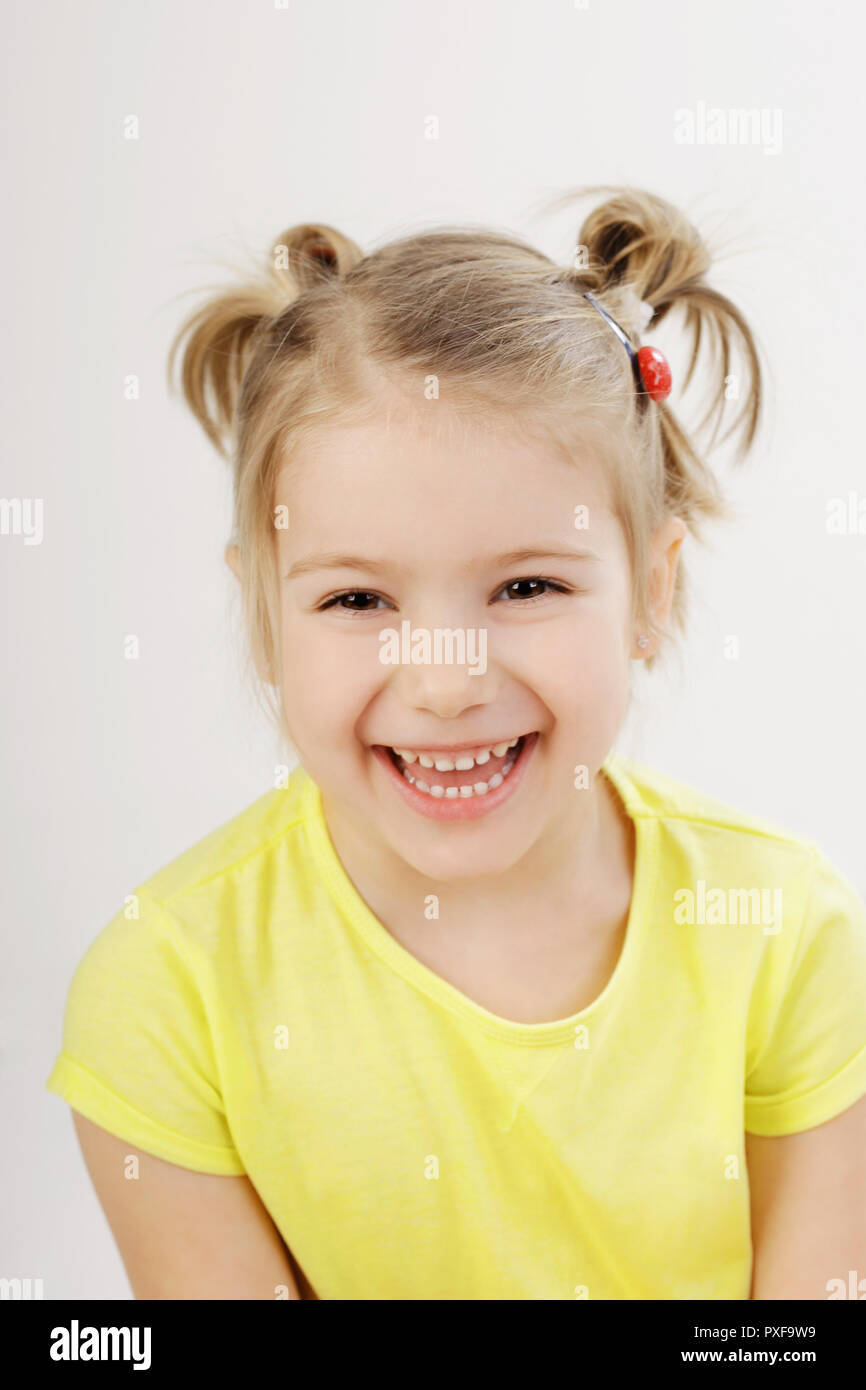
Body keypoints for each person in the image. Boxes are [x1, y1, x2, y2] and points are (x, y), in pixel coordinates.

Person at [46, 187, 866, 1300]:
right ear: (265, 616)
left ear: (652, 588)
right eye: (356, 600)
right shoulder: (168, 986)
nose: (444, 682)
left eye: (526, 584)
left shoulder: (781, 933)